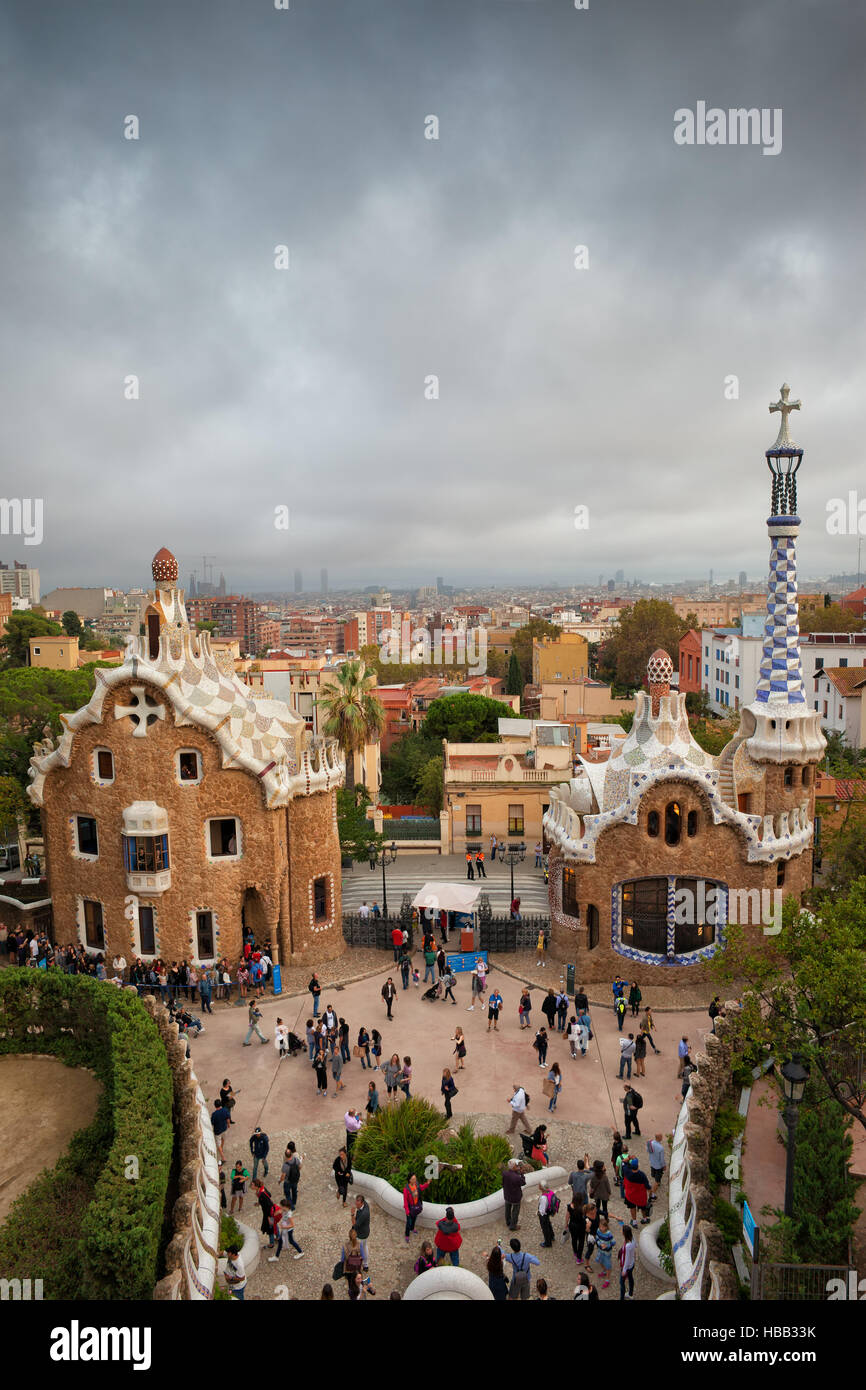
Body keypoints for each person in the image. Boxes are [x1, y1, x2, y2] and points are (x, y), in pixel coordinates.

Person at [623, 1155, 652, 1225]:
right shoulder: (642, 1175)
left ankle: (634, 1221)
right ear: (638, 1166)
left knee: (632, 1207)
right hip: (640, 1196)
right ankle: (645, 1219)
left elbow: (623, 1162)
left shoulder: (626, 1171)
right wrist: (650, 1195)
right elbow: (648, 1187)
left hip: (630, 1195)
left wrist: (629, 1158)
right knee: (643, 1208)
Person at [403, 1173, 430, 1242]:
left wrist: (427, 1183)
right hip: (410, 1208)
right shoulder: (406, 1189)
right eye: (413, 1179)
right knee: (409, 1222)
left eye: (415, 1178)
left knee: (414, 1219)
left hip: (416, 1207)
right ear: (409, 1180)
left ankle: (412, 1229)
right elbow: (405, 1201)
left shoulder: (417, 1185)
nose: (415, 1180)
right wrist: (407, 1211)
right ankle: (407, 1234)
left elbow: (422, 1187)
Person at [502, 1158, 526, 1231]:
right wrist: (522, 1174)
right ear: (513, 1167)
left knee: (507, 1209)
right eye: (516, 1165)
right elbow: (523, 1183)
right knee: (515, 1212)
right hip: (515, 1197)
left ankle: (508, 1222)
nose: (518, 1166)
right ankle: (513, 1226)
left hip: (507, 1195)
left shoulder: (504, 1173)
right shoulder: (516, 1177)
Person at [253, 1178, 277, 1248]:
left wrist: (269, 1216)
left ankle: (271, 1243)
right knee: (273, 1225)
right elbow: (269, 1195)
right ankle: (277, 1237)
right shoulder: (262, 1189)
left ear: (256, 1186)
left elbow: (267, 1204)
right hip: (271, 1211)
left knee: (270, 1227)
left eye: (252, 1185)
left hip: (269, 1213)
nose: (251, 1186)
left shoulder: (261, 1193)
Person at [593, 1216, 615, 1288]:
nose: (600, 1228)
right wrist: (599, 1244)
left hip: (607, 1253)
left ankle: (607, 1280)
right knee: (600, 1261)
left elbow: (613, 1242)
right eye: (600, 1226)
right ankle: (604, 1271)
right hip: (600, 1250)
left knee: (608, 1266)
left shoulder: (609, 1234)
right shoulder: (598, 1231)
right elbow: (597, 1238)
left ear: (606, 1227)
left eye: (602, 1227)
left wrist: (607, 1246)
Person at [352, 1193, 372, 1270]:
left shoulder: (364, 1214)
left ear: (362, 1203)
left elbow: (354, 1225)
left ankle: (357, 1266)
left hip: (361, 1234)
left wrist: (352, 1214)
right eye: (356, 1203)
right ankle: (366, 1265)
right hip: (366, 1232)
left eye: (358, 1204)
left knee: (357, 1250)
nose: (356, 1206)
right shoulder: (365, 1204)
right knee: (364, 1247)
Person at [281, 1142, 301, 1210]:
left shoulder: (285, 1165)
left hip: (288, 1181)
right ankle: (294, 1202)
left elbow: (283, 1176)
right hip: (295, 1179)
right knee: (294, 1191)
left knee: (287, 1194)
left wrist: (280, 1180)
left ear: (286, 1156)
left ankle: (291, 1206)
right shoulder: (296, 1159)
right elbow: (300, 1166)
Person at [618, 1224, 636, 1300]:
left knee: (621, 1283)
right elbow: (636, 1245)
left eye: (622, 1230)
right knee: (631, 1278)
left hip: (627, 1266)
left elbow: (626, 1259)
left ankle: (622, 1297)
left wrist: (624, 1270)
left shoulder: (627, 1246)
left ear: (624, 1233)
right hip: (632, 1263)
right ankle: (630, 1293)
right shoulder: (633, 1239)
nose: (621, 1231)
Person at [647, 1134, 666, 1198]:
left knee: (653, 1175)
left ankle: (657, 1182)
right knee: (657, 1181)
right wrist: (664, 1166)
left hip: (652, 1163)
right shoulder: (661, 1148)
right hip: (658, 1166)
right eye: (661, 1136)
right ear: (659, 1138)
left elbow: (648, 1151)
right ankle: (652, 1194)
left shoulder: (650, 1143)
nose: (662, 1137)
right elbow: (662, 1159)